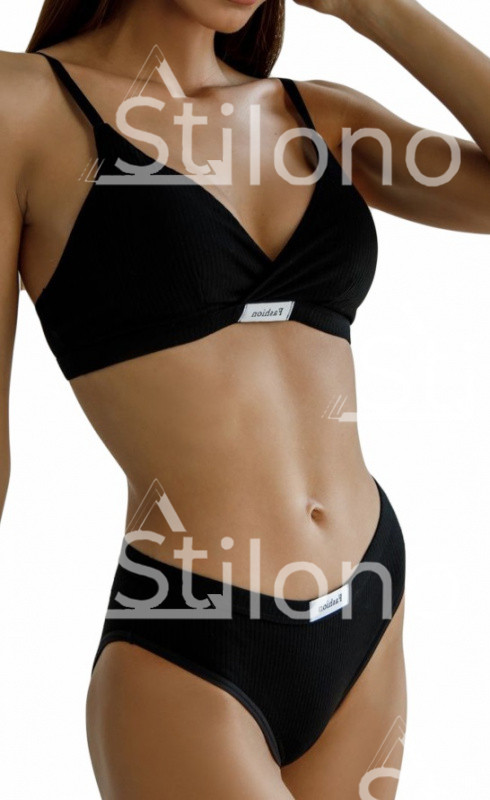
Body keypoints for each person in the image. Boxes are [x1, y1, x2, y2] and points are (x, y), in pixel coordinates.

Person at [0, 1, 488, 797]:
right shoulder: (22, 105)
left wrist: (375, 11)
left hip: (369, 598)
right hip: (195, 632)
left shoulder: (318, 118)